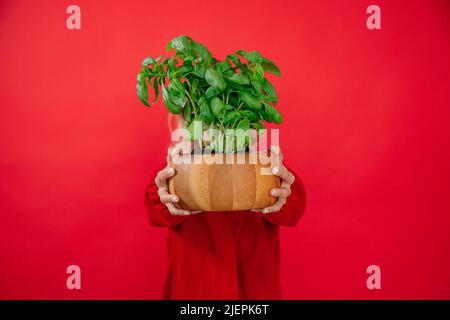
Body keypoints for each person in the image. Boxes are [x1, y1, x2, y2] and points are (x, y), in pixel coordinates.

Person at [145, 115, 307, 299]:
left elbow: (293, 208)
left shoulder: (266, 168)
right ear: (187, 121)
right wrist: (167, 196)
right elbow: (155, 207)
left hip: (254, 294)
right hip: (195, 293)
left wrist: (282, 193)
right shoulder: (174, 173)